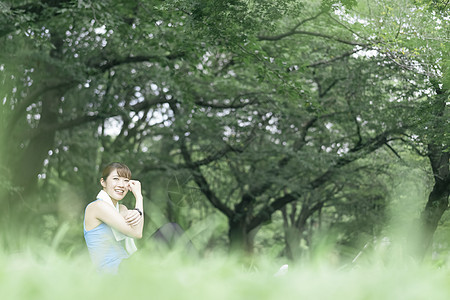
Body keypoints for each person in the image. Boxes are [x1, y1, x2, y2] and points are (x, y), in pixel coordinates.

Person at [84, 162, 144, 274]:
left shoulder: (121, 208)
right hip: (113, 271)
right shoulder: (97, 206)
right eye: (116, 179)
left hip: (126, 263)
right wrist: (139, 197)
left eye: (126, 181)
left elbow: (136, 227)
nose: (121, 185)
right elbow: (137, 233)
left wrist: (136, 212)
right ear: (103, 182)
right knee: (171, 230)